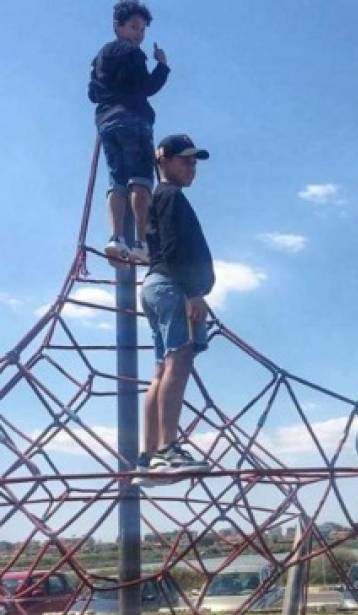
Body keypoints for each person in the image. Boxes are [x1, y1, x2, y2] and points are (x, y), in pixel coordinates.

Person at [136, 134, 215, 480]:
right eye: (185, 160)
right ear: (163, 161)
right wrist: (194, 292)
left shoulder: (162, 197)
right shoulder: (169, 195)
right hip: (172, 286)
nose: (191, 167)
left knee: (161, 370)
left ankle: (148, 455)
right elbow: (173, 246)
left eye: (194, 162)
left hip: (157, 285)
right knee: (178, 360)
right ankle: (168, 449)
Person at [88, 1, 170, 264]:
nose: (139, 35)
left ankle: (115, 237)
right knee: (140, 180)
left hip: (107, 122)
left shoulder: (101, 55)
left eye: (142, 30)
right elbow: (146, 87)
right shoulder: (132, 53)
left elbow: (92, 93)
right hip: (133, 120)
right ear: (118, 26)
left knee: (117, 181)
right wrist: (162, 66)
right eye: (134, 27)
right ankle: (141, 243)